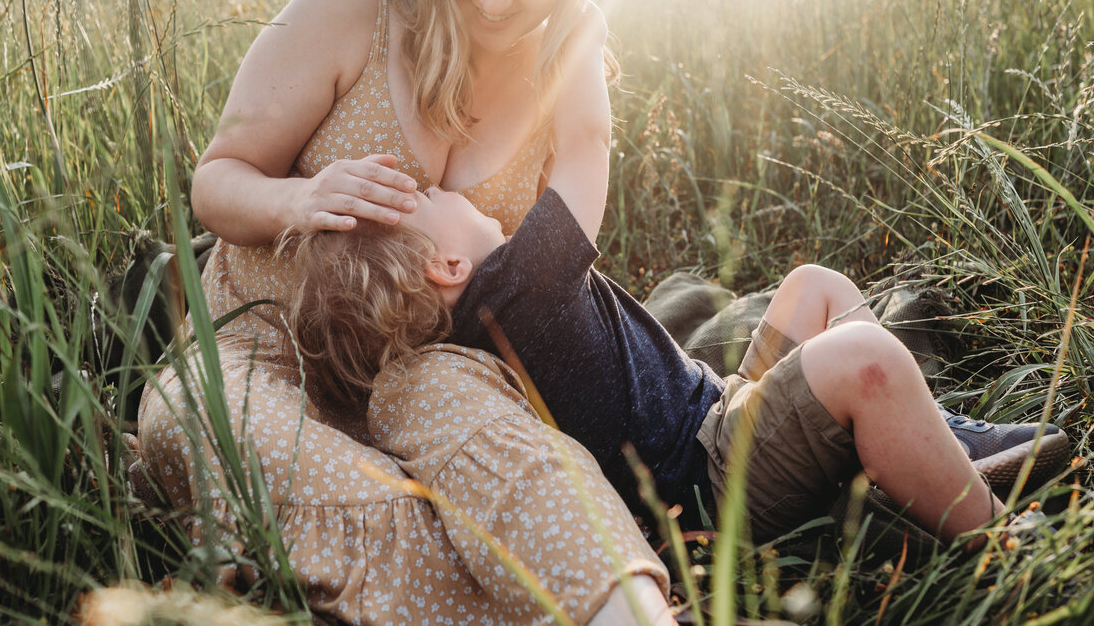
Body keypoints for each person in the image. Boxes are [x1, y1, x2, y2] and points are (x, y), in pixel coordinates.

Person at [139, 0, 677, 622]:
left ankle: (620, 608)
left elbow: (564, 248)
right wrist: (302, 199)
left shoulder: (564, 72)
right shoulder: (353, 3)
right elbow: (216, 181)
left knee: (510, 457)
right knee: (201, 428)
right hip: (264, 339)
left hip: (438, 363)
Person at [286, 161, 1070, 548]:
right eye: (436, 199)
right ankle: (1001, 543)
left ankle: (928, 440)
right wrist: (583, 35)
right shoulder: (514, 292)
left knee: (814, 287)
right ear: (445, 265)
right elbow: (588, 146)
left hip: (718, 408)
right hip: (712, 480)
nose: (457, 192)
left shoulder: (484, 320)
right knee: (861, 354)